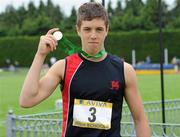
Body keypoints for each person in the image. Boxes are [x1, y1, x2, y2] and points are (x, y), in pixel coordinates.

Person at [19, 2, 150, 137]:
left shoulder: (124, 70)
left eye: (99, 29)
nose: (93, 35)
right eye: (87, 29)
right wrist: (40, 55)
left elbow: (140, 119)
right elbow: (27, 100)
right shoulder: (63, 67)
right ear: (78, 30)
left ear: (107, 30)